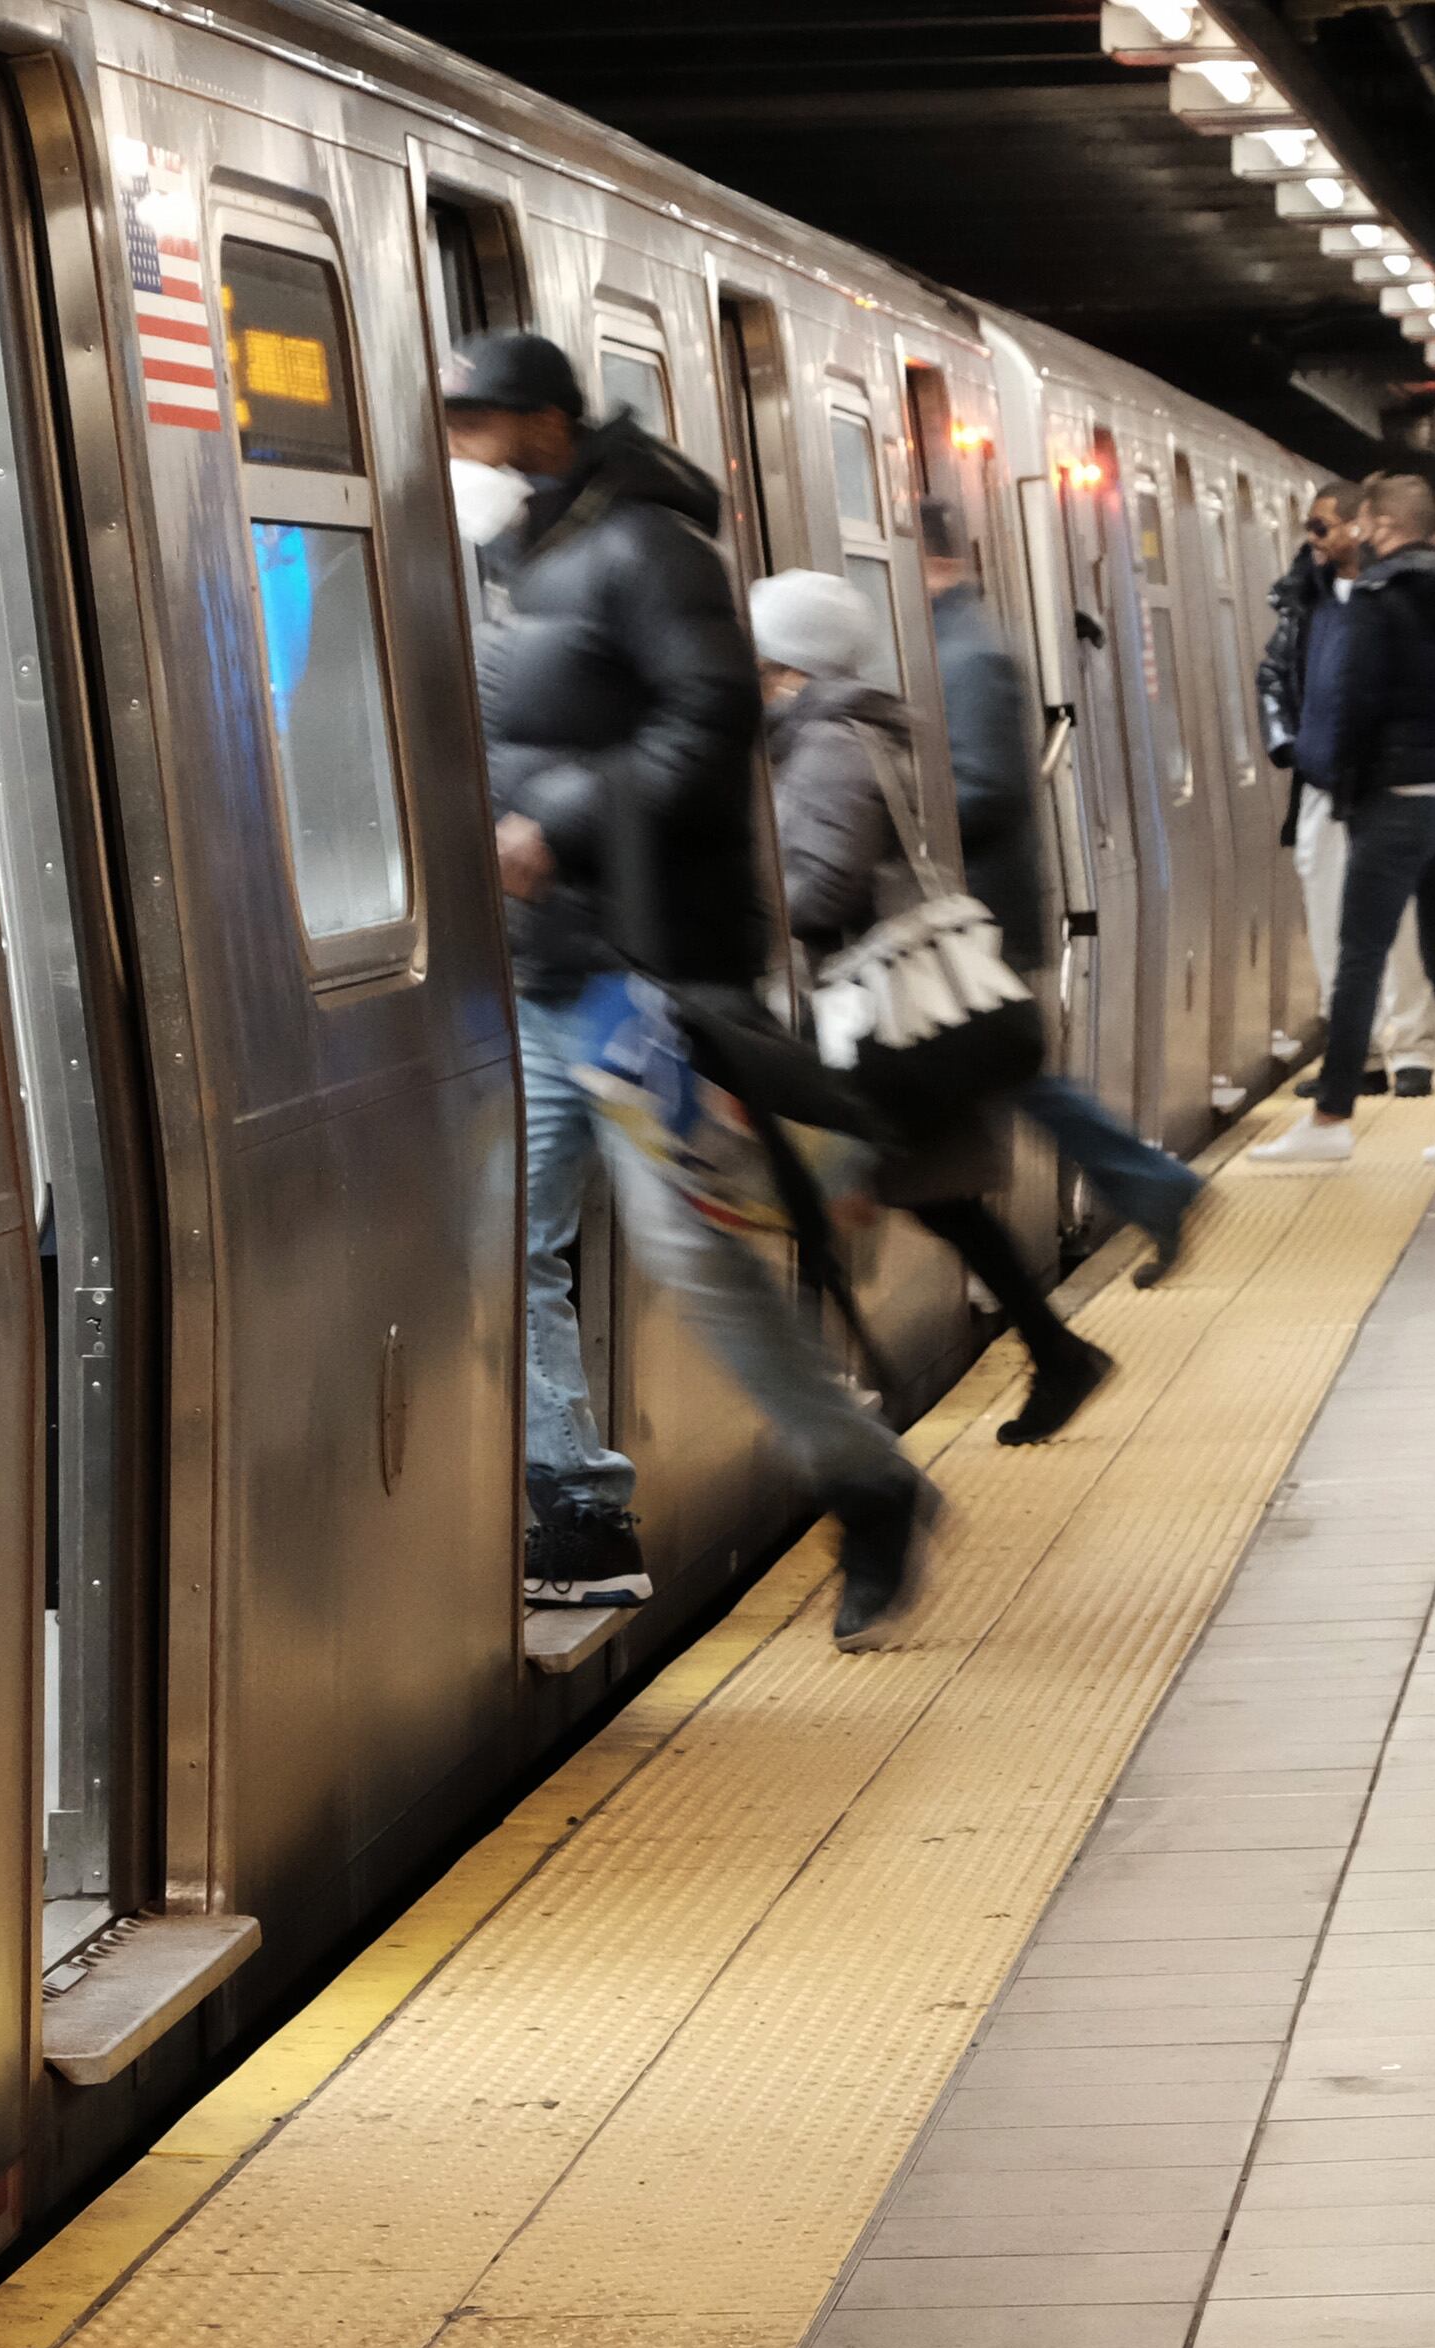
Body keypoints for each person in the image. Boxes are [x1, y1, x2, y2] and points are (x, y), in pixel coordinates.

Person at [444, 329, 938, 1645]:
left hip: (639, 976)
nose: (457, 445)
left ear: (545, 424)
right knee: (500, 1239)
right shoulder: (526, 557)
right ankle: (577, 1504)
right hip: (545, 978)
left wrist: (553, 823)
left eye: (475, 422)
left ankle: (867, 1480)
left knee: (688, 1255)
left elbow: (708, 723)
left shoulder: (648, 549)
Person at [753, 567, 1118, 1445]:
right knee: (935, 1198)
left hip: (872, 1012)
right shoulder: (850, 729)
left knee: (823, 1191)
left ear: (791, 664)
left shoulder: (831, 740)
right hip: (891, 1008)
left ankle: (839, 1441)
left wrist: (752, 903)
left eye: (762, 655)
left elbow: (825, 886)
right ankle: (1053, 1352)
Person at [439, 332, 653, 1611]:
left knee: (534, 1236)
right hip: (588, 976)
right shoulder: (550, 621)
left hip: (590, 983)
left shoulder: (504, 643)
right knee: (544, 1234)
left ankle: (579, 1511)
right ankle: (580, 1509)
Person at [919, 501, 1204, 1287]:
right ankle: (1149, 1191)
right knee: (1014, 1081)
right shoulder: (954, 643)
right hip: (976, 916)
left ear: (933, 560)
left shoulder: (968, 653)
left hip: (977, 916)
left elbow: (988, 791)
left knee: (995, 1088)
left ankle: (1141, 1200)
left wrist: (903, 800)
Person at [1256, 472, 1435, 1170]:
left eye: (1363, 524)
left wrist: (1340, 786)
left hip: (1392, 798)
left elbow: (1352, 704)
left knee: (1359, 955)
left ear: (1381, 526)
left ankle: (1331, 1117)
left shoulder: (1375, 598)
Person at [1260, 481, 1435, 1102]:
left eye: (1320, 526)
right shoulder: (1303, 601)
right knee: (1330, 923)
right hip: (1322, 784)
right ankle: (1355, 1054)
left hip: (1391, 783)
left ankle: (1413, 1050)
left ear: (1358, 529)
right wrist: (1291, 746)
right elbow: (1274, 677)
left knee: (1401, 919)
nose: (1310, 539)